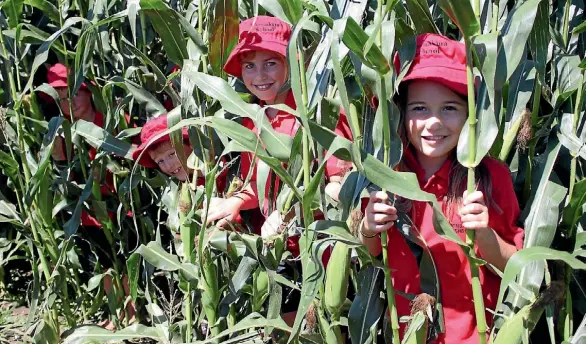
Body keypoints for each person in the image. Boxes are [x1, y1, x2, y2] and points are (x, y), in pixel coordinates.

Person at [360, 33, 524, 343]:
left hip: (476, 336)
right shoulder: (385, 173)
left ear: (471, 115)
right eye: (419, 108)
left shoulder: (489, 178)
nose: (434, 123)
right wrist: (369, 228)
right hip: (404, 332)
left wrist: (486, 236)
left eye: (449, 108)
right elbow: (373, 253)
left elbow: (516, 267)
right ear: (400, 113)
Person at [212, 16, 353, 253]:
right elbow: (258, 185)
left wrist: (290, 213)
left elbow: (341, 187)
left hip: (322, 252)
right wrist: (233, 202)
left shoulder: (318, 113)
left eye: (270, 63)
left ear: (291, 63)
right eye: (249, 66)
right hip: (281, 252)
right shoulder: (253, 119)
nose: (259, 76)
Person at [42, 63, 137, 329]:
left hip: (120, 206)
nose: (68, 101)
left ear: (88, 92)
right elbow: (64, 175)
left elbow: (132, 157)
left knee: (125, 258)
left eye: (73, 93)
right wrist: (61, 157)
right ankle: (116, 312)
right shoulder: (60, 130)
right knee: (105, 262)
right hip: (89, 211)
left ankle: (133, 312)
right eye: (60, 98)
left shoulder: (113, 122)